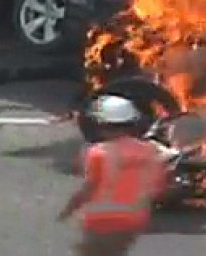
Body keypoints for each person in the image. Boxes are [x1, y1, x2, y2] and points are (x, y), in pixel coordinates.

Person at [57, 95, 168, 256]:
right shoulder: (150, 151)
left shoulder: (98, 153)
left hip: (102, 220)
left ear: (103, 125)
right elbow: (158, 185)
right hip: (133, 219)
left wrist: (70, 208)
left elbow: (90, 187)